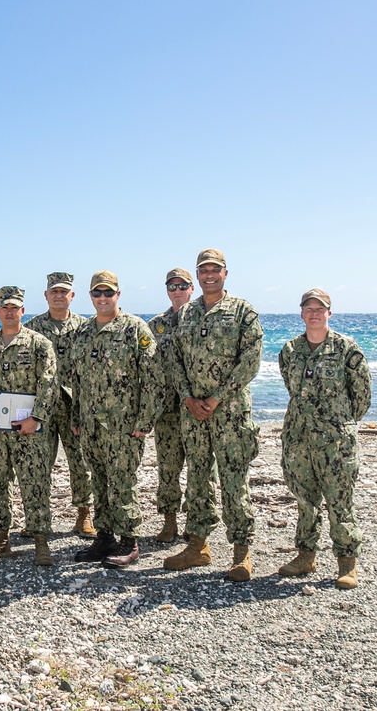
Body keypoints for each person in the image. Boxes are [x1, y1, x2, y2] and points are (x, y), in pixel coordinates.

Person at [164, 248, 263, 582]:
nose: (209, 275)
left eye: (215, 269)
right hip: (193, 413)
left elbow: (250, 360)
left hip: (231, 412)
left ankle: (241, 552)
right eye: (203, 270)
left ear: (225, 273)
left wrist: (218, 397)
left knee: (234, 480)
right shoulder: (188, 313)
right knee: (198, 478)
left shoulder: (242, 311)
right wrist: (188, 397)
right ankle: (198, 546)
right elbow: (175, 358)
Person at [278, 289, 371, 589]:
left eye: (321, 308)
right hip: (298, 438)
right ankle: (306, 555)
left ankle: (347, 563)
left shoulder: (346, 348)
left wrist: (340, 423)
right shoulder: (290, 350)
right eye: (309, 308)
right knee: (305, 500)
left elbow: (362, 396)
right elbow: (290, 385)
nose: (314, 313)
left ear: (329, 313)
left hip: (336, 443)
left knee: (339, 501)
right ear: (302, 313)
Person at [70, 271, 163, 568]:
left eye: (108, 293)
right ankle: (105, 536)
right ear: (91, 297)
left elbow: (153, 379)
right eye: (97, 293)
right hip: (91, 424)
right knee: (99, 480)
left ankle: (129, 540)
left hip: (124, 426)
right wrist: (76, 417)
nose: (102, 298)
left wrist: (144, 421)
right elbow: (77, 381)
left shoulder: (135, 329)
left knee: (123, 481)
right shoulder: (83, 333)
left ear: (118, 295)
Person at [0, 286, 58, 566]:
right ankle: (1, 538)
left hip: (29, 431)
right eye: (4, 308)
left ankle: (41, 541)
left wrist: (37, 418)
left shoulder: (39, 344)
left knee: (35, 484)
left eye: (14, 308)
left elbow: (49, 383)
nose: (9, 312)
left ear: (22, 311)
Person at [24, 272, 95, 539]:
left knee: (81, 463)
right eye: (54, 291)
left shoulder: (84, 327)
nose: (58, 295)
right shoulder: (32, 328)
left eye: (63, 291)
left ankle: (84, 516)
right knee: (38, 464)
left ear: (72, 296)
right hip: (41, 407)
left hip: (75, 406)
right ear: (45, 295)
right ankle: (38, 519)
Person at [147, 268, 215, 542]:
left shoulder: (203, 320)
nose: (177, 291)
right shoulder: (155, 325)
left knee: (201, 469)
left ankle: (197, 524)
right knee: (168, 468)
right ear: (167, 290)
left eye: (182, 286)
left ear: (192, 289)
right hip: (167, 409)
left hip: (197, 408)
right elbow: (147, 366)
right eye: (172, 286)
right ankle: (169, 522)